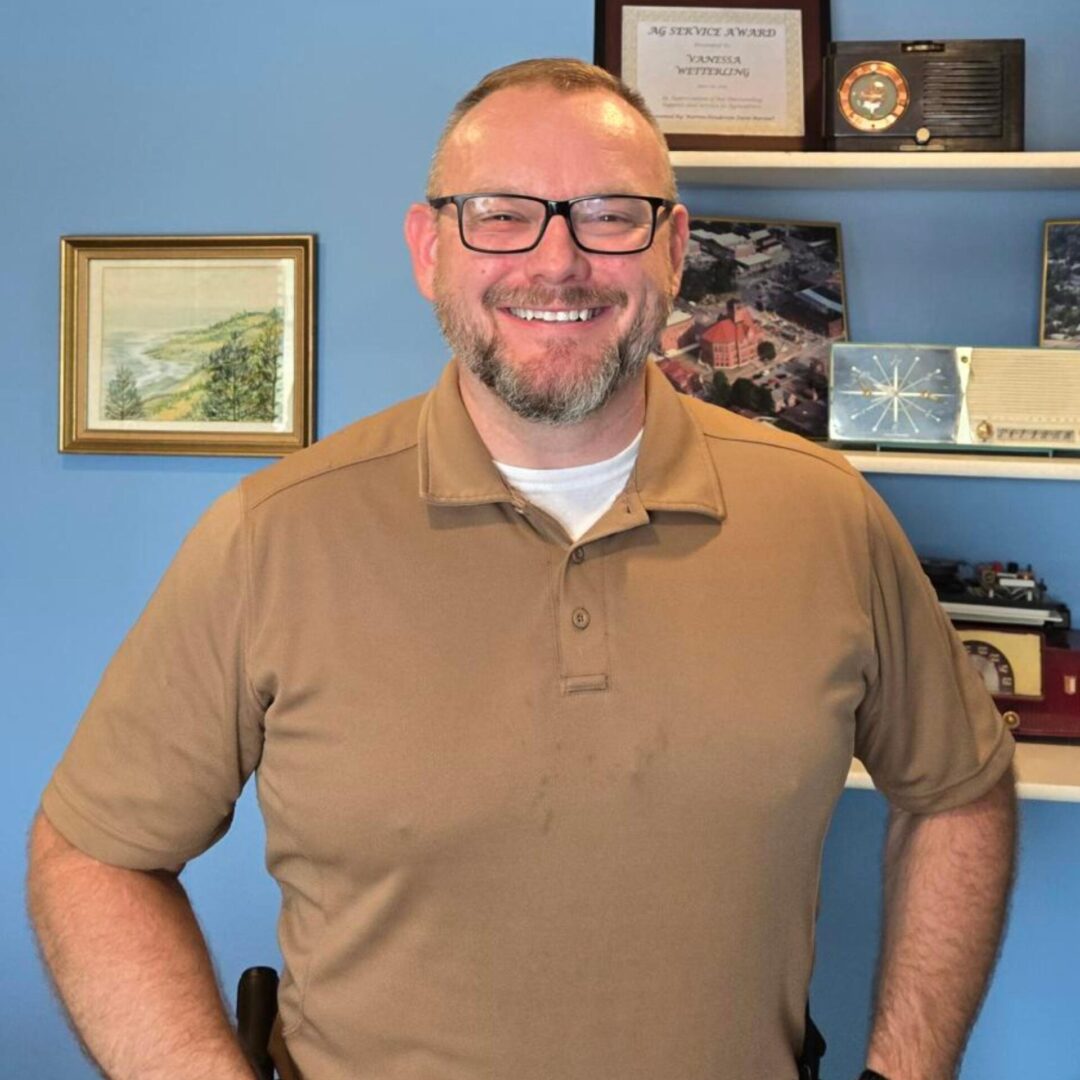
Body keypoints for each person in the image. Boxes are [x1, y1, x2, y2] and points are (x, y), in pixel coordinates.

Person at [28, 58, 1017, 1080]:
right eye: (500, 214)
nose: (558, 262)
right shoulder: (270, 536)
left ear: (675, 250)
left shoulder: (828, 516)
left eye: (610, 215)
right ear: (430, 250)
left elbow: (961, 792)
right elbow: (92, 853)